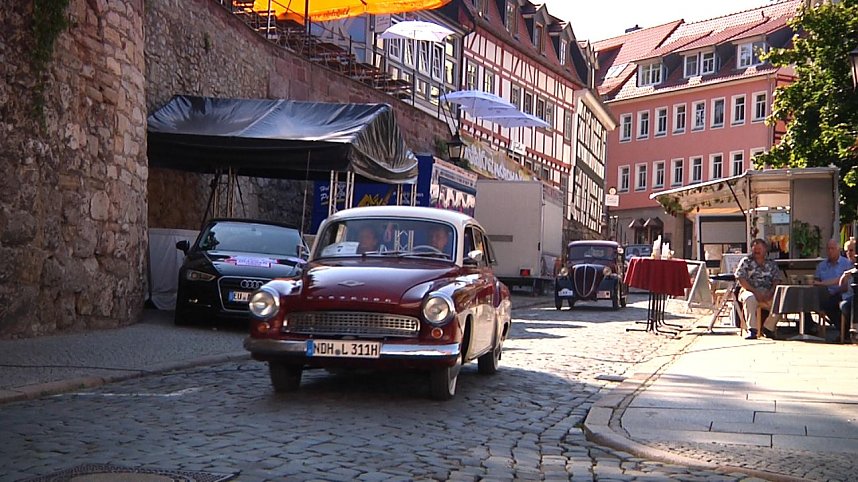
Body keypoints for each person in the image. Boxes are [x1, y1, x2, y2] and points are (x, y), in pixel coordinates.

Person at [735, 238, 784, 340]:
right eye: (755, 249)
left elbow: (777, 280)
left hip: (768, 292)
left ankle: (768, 328)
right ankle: (752, 330)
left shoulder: (771, 263)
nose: (757, 251)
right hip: (749, 290)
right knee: (750, 298)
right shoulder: (746, 261)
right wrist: (755, 291)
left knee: (782, 301)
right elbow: (741, 279)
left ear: (765, 250)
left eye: (759, 248)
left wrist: (770, 292)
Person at [811, 238, 853, 334]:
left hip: (840, 293)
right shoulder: (821, 265)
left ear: (838, 249)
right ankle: (808, 327)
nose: (830, 251)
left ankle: (844, 332)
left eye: (832, 248)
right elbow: (816, 281)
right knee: (805, 300)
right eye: (828, 249)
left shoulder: (846, 264)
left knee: (830, 305)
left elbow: (843, 283)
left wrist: (824, 285)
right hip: (823, 294)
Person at [837, 237, 857, 341]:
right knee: (830, 302)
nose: (848, 253)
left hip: (854, 297)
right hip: (848, 295)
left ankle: (852, 330)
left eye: (851, 250)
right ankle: (843, 333)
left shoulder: (854, 266)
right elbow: (841, 285)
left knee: (845, 305)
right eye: (846, 251)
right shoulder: (847, 264)